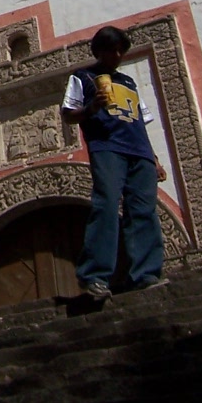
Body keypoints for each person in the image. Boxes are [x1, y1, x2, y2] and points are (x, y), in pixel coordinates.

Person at [60, 25, 169, 301]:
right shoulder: (83, 78)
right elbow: (68, 115)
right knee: (106, 204)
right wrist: (91, 108)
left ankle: (146, 274)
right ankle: (95, 276)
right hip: (107, 147)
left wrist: (153, 157)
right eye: (112, 50)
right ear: (99, 51)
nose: (117, 55)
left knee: (143, 211)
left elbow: (140, 122)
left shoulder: (129, 83)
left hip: (139, 151)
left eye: (121, 50)